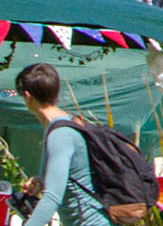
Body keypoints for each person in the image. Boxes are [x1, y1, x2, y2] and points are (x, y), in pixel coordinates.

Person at [15, 62, 111, 226]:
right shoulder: (65, 124)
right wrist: (42, 181)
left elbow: (52, 198)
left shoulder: (60, 135)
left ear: (27, 96)